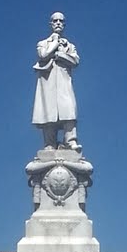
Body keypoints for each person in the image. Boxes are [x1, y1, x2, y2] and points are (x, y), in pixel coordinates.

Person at [32, 12, 81, 151]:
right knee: (48, 111)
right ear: (51, 24)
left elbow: (75, 60)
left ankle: (71, 141)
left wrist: (60, 54)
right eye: (55, 21)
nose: (58, 23)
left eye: (61, 21)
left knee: (69, 110)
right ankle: (50, 143)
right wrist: (54, 43)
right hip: (48, 83)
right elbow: (43, 55)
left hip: (64, 82)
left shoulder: (70, 46)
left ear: (64, 24)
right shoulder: (42, 43)